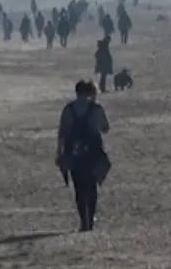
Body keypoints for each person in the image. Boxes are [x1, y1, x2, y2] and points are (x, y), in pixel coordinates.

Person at [56, 80, 110, 232]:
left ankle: (83, 220)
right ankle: (91, 218)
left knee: (79, 187)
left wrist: (59, 152)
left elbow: (62, 132)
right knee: (91, 186)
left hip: (73, 151)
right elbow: (105, 128)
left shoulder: (69, 109)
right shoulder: (96, 108)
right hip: (93, 152)